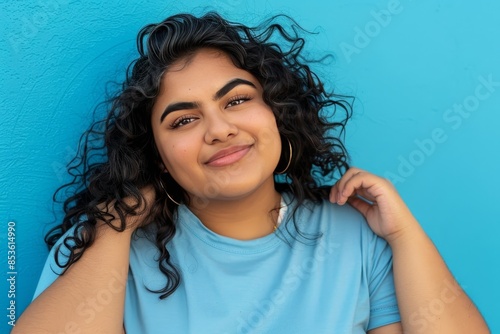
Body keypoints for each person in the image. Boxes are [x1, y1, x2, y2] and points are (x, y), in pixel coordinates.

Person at [14, 12, 488, 334]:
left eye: (237, 100)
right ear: (157, 154)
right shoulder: (107, 238)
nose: (219, 129)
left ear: (278, 114)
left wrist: (405, 235)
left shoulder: (358, 235)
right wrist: (115, 232)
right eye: (183, 120)